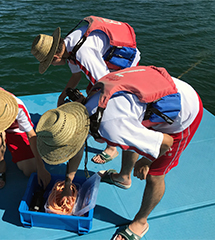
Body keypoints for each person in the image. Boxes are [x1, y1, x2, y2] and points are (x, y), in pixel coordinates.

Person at [35, 67, 203, 240]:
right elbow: (78, 149)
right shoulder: (80, 111)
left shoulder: (113, 128)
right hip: (154, 96)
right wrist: (68, 183)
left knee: (155, 176)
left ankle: (141, 222)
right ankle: (124, 177)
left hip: (184, 113)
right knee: (132, 139)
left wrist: (146, 161)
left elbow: (166, 143)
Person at [31, 15, 141, 165]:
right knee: (91, 93)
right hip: (105, 59)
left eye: (50, 63)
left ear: (56, 57)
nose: (53, 66)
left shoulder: (83, 53)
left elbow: (108, 86)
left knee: (105, 104)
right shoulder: (68, 46)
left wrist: (85, 102)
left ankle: (112, 147)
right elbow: (76, 76)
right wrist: (62, 97)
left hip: (125, 62)